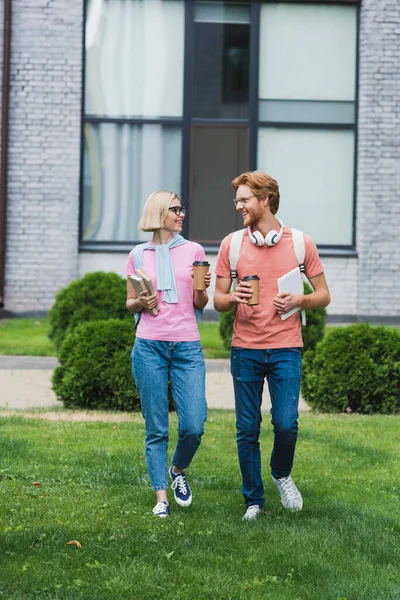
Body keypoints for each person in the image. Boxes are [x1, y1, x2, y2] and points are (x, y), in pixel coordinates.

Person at [214, 171, 330, 520]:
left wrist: (300, 299)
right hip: (245, 349)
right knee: (247, 428)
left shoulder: (300, 243)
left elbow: (324, 295)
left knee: (286, 423)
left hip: (285, 348)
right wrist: (233, 296)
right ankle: (254, 500)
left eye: (244, 200)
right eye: (238, 200)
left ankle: (281, 473)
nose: (239, 206)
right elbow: (217, 300)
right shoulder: (231, 245)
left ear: (264, 199)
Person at [126, 190, 210, 518]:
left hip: (187, 345)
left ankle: (177, 469)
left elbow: (201, 303)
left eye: (181, 208)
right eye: (175, 209)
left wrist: (202, 289)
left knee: (194, 424)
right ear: (160, 213)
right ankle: (161, 498)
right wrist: (141, 303)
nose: (182, 214)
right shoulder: (138, 254)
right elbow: (130, 302)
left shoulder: (194, 250)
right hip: (149, 345)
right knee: (156, 426)